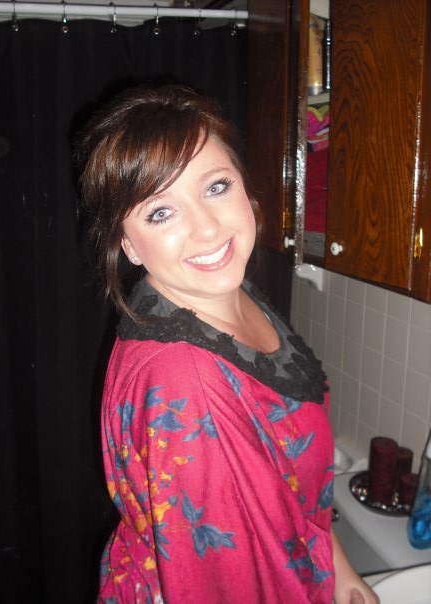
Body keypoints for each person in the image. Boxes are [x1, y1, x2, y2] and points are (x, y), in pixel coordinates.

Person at [76, 85, 379, 604]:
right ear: (128, 245)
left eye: (215, 186)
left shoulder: (225, 294)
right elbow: (231, 585)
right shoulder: (187, 384)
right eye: (160, 212)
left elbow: (287, 486)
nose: (207, 228)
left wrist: (339, 565)